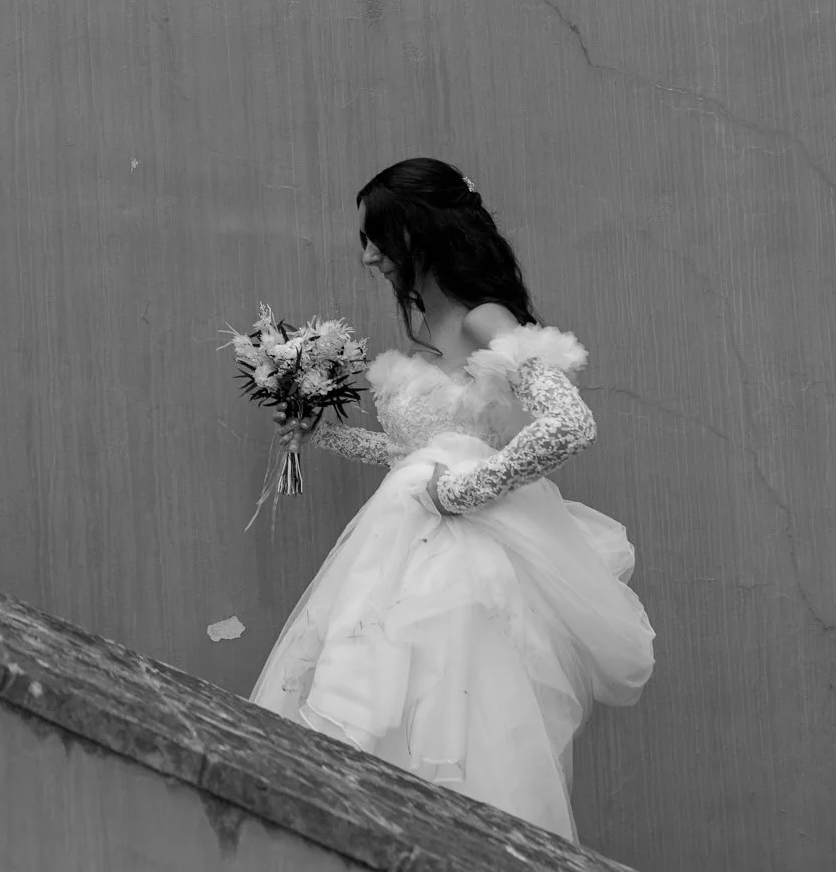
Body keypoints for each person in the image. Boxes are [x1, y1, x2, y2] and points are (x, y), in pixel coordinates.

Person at [249, 158, 655, 839]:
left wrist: (467, 489)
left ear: (419, 230)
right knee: (373, 723)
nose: (367, 255)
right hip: (397, 555)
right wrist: (323, 432)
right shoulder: (433, 332)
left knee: (450, 736)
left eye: (377, 235)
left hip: (459, 573)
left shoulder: (484, 318)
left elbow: (569, 421)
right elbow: (419, 459)